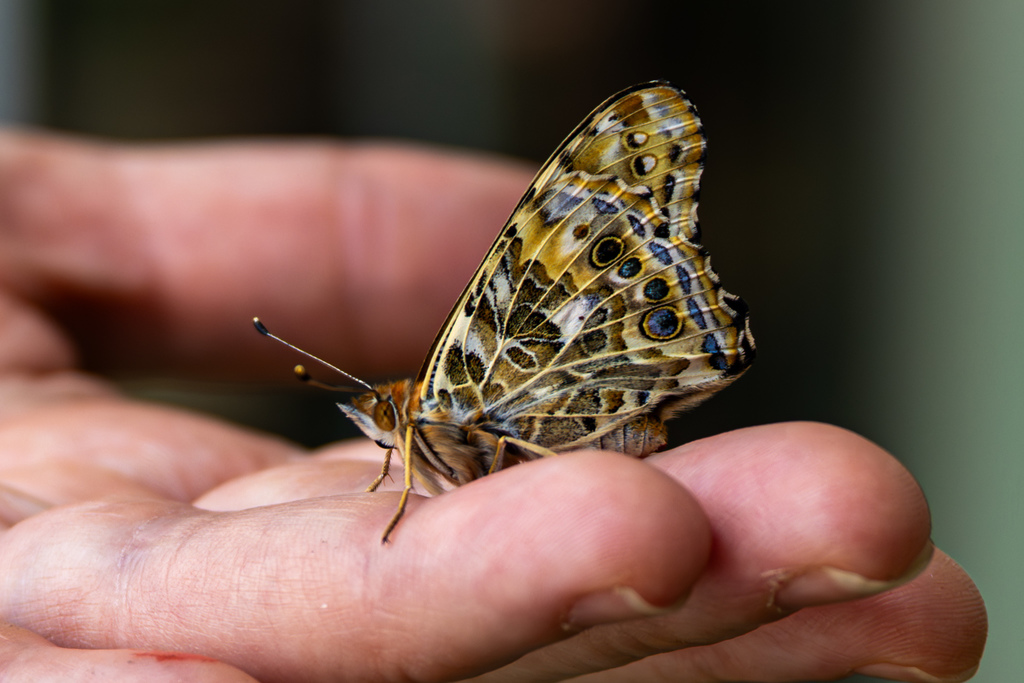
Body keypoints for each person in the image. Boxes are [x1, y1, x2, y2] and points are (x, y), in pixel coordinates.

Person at [0, 130, 986, 682]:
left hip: (605, 370)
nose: (384, 434)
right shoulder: (419, 426)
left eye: (390, 430)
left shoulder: (445, 398)